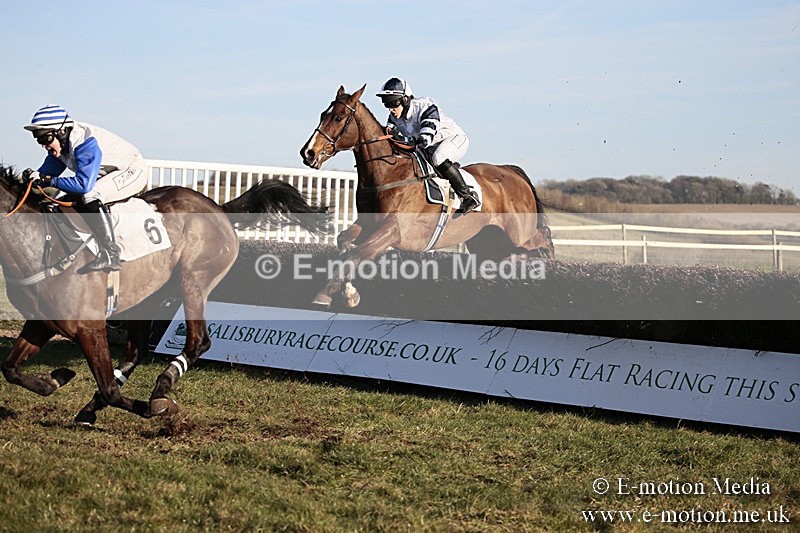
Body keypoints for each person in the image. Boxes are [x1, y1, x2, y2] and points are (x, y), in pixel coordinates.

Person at [23, 104, 148, 271]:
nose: (43, 145)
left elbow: (83, 185)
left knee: (91, 195)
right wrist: (33, 178)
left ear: (61, 132)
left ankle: (111, 254)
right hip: (108, 172)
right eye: (38, 139)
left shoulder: (84, 142)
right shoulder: (60, 145)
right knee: (59, 200)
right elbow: (45, 175)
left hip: (132, 169)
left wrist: (50, 181)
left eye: (45, 139)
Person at [376, 77, 480, 214]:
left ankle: (468, 196)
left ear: (405, 99)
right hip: (429, 147)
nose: (390, 109)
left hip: (454, 139)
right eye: (386, 103)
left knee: (439, 157)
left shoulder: (424, 105)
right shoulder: (394, 118)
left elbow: (429, 126)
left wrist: (422, 138)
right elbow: (389, 134)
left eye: (392, 103)